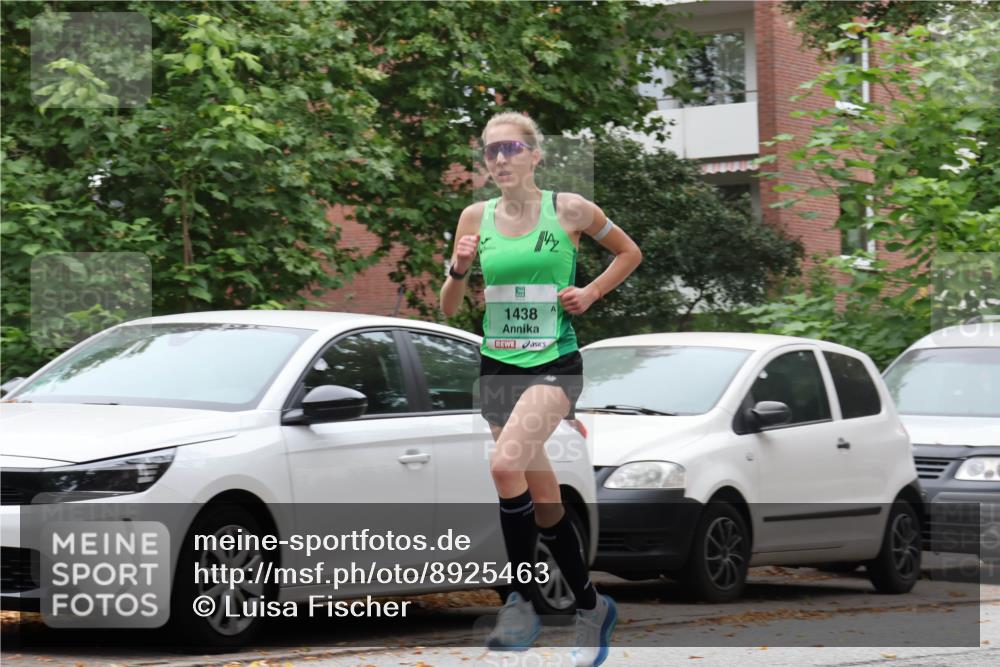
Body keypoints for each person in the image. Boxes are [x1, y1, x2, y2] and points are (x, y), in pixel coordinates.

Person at [439, 111, 642, 667]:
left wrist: (592, 292)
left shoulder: (569, 209)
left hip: (554, 363)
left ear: (534, 154)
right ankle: (590, 605)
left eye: (509, 149)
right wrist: (458, 270)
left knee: (505, 467)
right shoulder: (474, 217)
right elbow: (449, 307)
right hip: (497, 366)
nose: (499, 160)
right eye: (489, 152)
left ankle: (518, 602)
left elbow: (630, 253)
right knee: (546, 503)